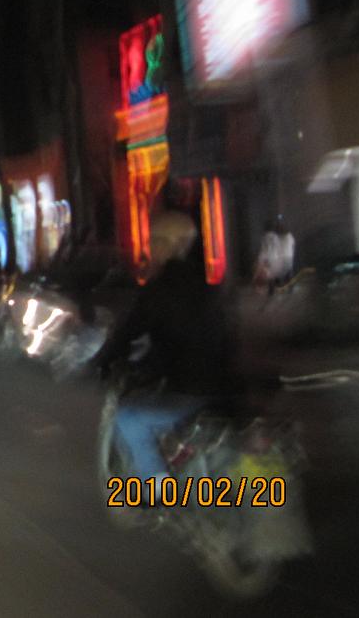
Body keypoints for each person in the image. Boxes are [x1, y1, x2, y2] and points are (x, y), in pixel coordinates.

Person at [93, 184, 239, 492]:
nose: (150, 249)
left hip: (188, 389)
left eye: (153, 242)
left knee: (129, 418)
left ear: (163, 245)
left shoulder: (160, 289)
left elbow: (127, 333)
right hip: (226, 387)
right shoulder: (206, 285)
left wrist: (102, 360)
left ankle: (160, 489)